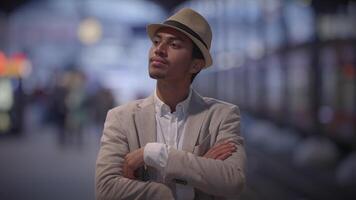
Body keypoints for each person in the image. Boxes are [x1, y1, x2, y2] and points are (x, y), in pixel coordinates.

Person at [95, 8, 246, 200]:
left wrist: (155, 153)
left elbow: (233, 180)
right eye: (156, 42)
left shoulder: (222, 115)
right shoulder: (121, 118)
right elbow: (105, 190)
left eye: (174, 44)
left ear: (195, 65)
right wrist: (167, 190)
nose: (158, 49)